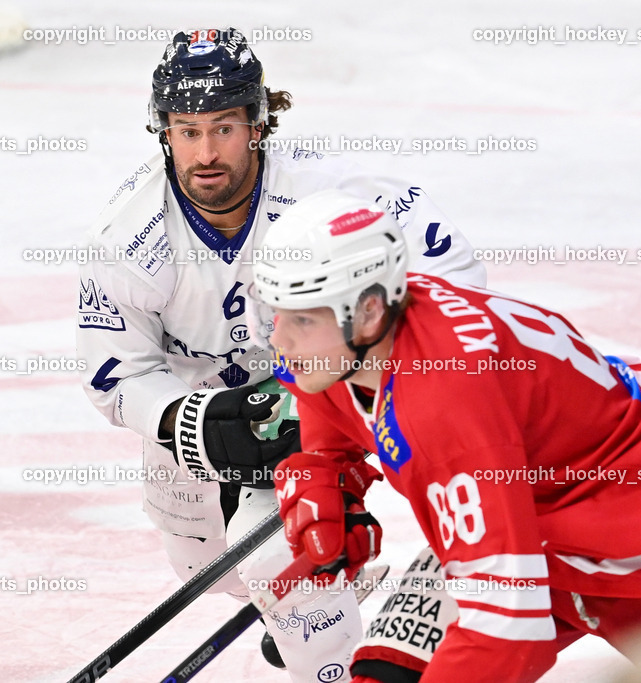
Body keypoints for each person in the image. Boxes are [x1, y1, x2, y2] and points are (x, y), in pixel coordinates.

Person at [76, 28, 486, 682]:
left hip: (328, 397)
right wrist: (195, 422)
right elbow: (115, 369)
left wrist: (366, 383)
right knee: (212, 571)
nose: (206, 152)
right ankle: (311, 607)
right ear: (163, 133)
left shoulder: (327, 190)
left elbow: (453, 272)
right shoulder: (129, 236)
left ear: (260, 123)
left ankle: (330, 647)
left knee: (281, 561)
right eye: (187, 131)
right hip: (201, 414)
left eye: (224, 128)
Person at [252, 190, 641, 682]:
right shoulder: (356, 343)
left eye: (301, 320)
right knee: (388, 676)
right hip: (518, 508)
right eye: (279, 314)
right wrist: (329, 476)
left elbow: (507, 630)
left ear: (368, 311)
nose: (280, 340)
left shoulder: (446, 404)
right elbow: (333, 402)